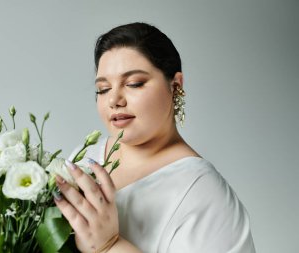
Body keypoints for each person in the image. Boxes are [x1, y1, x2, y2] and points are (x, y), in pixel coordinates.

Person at [53, 22, 256, 253]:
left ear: (176, 86)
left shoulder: (204, 193)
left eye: (134, 84)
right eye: (103, 89)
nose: (114, 100)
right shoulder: (85, 158)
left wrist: (110, 246)